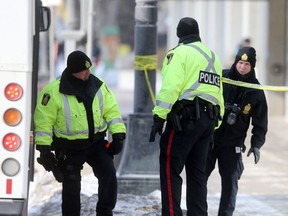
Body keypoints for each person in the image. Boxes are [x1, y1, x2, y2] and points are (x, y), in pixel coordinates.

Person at [34, 50, 126, 216]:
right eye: (84, 71)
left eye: (89, 69)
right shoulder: (54, 92)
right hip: (70, 147)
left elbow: (112, 111)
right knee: (71, 186)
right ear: (73, 72)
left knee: (109, 174)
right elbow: (44, 122)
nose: (88, 73)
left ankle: (105, 212)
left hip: (96, 143)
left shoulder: (98, 85)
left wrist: (118, 135)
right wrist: (44, 149)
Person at [149, 17, 224, 216]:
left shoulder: (178, 53)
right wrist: (216, 122)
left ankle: (172, 213)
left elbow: (171, 87)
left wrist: (159, 117)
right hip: (208, 121)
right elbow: (218, 91)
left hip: (186, 120)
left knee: (169, 167)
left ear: (179, 34)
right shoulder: (212, 56)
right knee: (197, 174)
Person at [206, 46, 268, 216]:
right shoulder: (222, 78)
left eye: (247, 64)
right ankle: (197, 212)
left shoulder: (255, 89)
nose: (242, 67)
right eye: (240, 62)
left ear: (252, 66)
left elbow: (260, 121)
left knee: (230, 183)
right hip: (211, 138)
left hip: (233, 143)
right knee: (199, 177)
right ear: (235, 62)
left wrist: (256, 144)